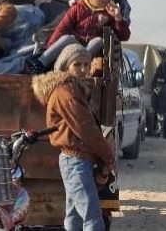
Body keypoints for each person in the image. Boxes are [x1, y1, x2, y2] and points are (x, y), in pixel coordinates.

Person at [31, 44, 114, 231]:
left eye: (86, 64)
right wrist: (108, 156)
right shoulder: (66, 92)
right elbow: (86, 129)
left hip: (75, 159)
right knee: (92, 217)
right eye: (77, 64)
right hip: (76, 161)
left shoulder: (72, 88)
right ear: (66, 66)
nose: (84, 69)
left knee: (74, 216)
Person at [26, 0, 131, 74]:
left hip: (88, 52)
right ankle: (40, 63)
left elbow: (124, 36)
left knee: (98, 41)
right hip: (73, 46)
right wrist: (49, 48)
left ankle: (80, 66)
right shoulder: (78, 8)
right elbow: (62, 28)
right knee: (68, 37)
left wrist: (118, 18)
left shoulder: (109, 13)